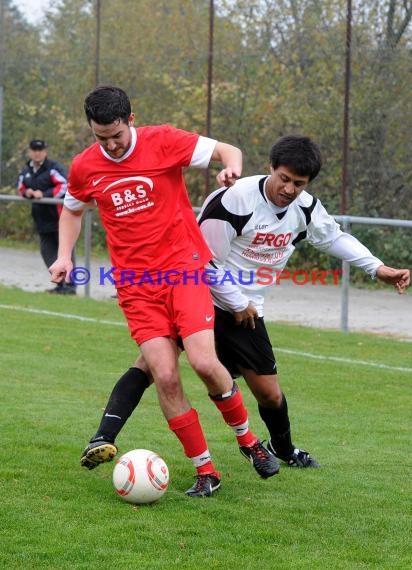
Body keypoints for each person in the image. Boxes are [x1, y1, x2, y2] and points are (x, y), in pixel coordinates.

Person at [80, 134, 410, 472]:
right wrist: (236, 301)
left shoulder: (306, 208)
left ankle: (283, 448)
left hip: (247, 312)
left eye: (299, 183)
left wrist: (378, 268)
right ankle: (103, 437)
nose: (289, 189)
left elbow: (334, 237)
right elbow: (202, 261)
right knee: (154, 367)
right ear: (270, 168)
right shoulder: (234, 201)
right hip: (201, 297)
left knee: (269, 393)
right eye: (284, 179)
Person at [49, 85, 279, 498]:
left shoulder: (164, 141)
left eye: (116, 135)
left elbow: (228, 150)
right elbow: (71, 208)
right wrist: (65, 255)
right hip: (136, 287)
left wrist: (232, 169)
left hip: (183, 271)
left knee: (205, 364)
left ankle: (249, 442)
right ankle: (206, 471)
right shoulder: (85, 165)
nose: (111, 145)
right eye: (101, 137)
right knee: (166, 375)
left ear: (131, 119)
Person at [17, 139, 76, 295]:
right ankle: (60, 284)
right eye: (34, 150)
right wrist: (27, 193)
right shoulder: (26, 169)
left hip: (59, 218)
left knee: (66, 253)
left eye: (40, 149)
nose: (37, 153)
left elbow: (65, 184)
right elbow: (21, 186)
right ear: (30, 151)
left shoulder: (53, 167)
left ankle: (70, 287)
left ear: (45, 151)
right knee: (47, 252)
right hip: (41, 219)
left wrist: (44, 194)